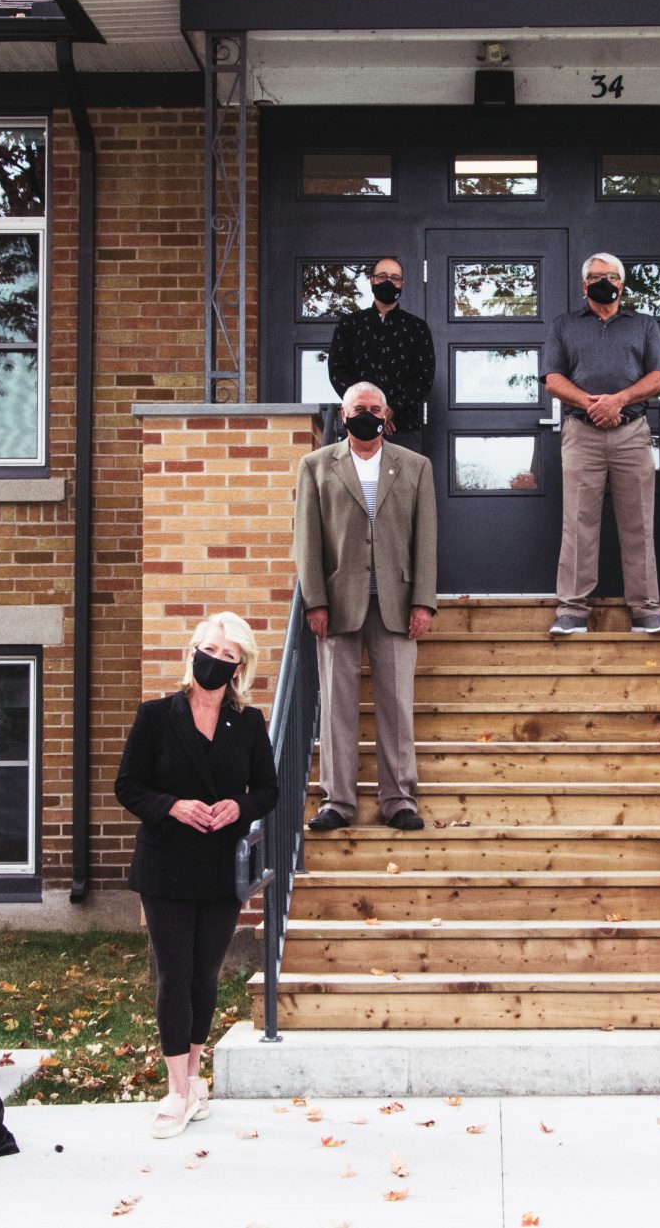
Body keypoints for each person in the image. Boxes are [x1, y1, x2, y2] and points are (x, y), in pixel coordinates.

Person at [113, 612, 279, 1139]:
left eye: (227, 655)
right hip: (167, 863)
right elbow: (128, 786)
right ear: (193, 652)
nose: (213, 660)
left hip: (219, 867)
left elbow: (269, 789)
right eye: (208, 649)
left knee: (204, 974)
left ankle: (195, 1071)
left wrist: (239, 806)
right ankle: (176, 1088)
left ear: (239, 667)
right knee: (173, 973)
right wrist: (172, 806)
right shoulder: (156, 715)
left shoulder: (249, 723)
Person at [293, 380, 438, 832]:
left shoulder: (415, 466)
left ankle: (398, 799)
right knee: (337, 704)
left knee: (396, 705)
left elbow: (426, 540)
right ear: (343, 413)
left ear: (387, 414)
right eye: (359, 408)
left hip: (396, 601)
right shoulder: (316, 466)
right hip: (337, 604)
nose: (367, 414)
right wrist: (314, 600)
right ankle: (337, 801)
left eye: (375, 408)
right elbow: (307, 540)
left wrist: (424, 602)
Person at [539, 252, 660, 635]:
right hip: (582, 433)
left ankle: (646, 611)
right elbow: (551, 379)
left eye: (611, 276)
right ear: (584, 285)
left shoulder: (644, 325)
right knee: (578, 521)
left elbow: (658, 376)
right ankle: (572, 611)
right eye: (597, 276)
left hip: (632, 432)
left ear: (622, 285)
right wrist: (593, 404)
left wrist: (619, 400)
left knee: (639, 522)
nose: (604, 281)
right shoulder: (564, 326)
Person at [327, 256, 435, 450]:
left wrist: (390, 410)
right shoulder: (350, 324)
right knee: (353, 481)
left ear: (402, 284)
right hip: (357, 427)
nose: (388, 281)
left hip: (402, 429)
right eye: (382, 276)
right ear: (371, 280)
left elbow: (423, 378)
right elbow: (337, 371)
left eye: (395, 278)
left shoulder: (417, 328)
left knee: (404, 480)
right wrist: (367, 411)